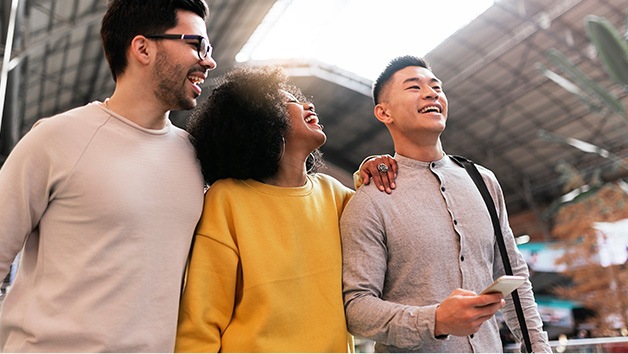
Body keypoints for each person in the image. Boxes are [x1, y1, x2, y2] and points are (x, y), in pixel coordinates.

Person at [0, 0, 217, 351]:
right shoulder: (55, 139)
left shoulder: (195, 159)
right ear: (143, 48)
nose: (208, 60)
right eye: (196, 45)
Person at [340, 56, 552, 353]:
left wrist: (539, 349)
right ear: (384, 112)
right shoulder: (371, 200)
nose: (431, 93)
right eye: (414, 87)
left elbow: (514, 276)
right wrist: (435, 320)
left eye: (436, 86)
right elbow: (356, 309)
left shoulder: (484, 181)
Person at [176, 66, 363, 352]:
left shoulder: (335, 194)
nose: (308, 104)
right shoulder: (227, 199)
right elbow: (200, 319)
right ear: (263, 118)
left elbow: (389, 223)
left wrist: (376, 168)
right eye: (290, 100)